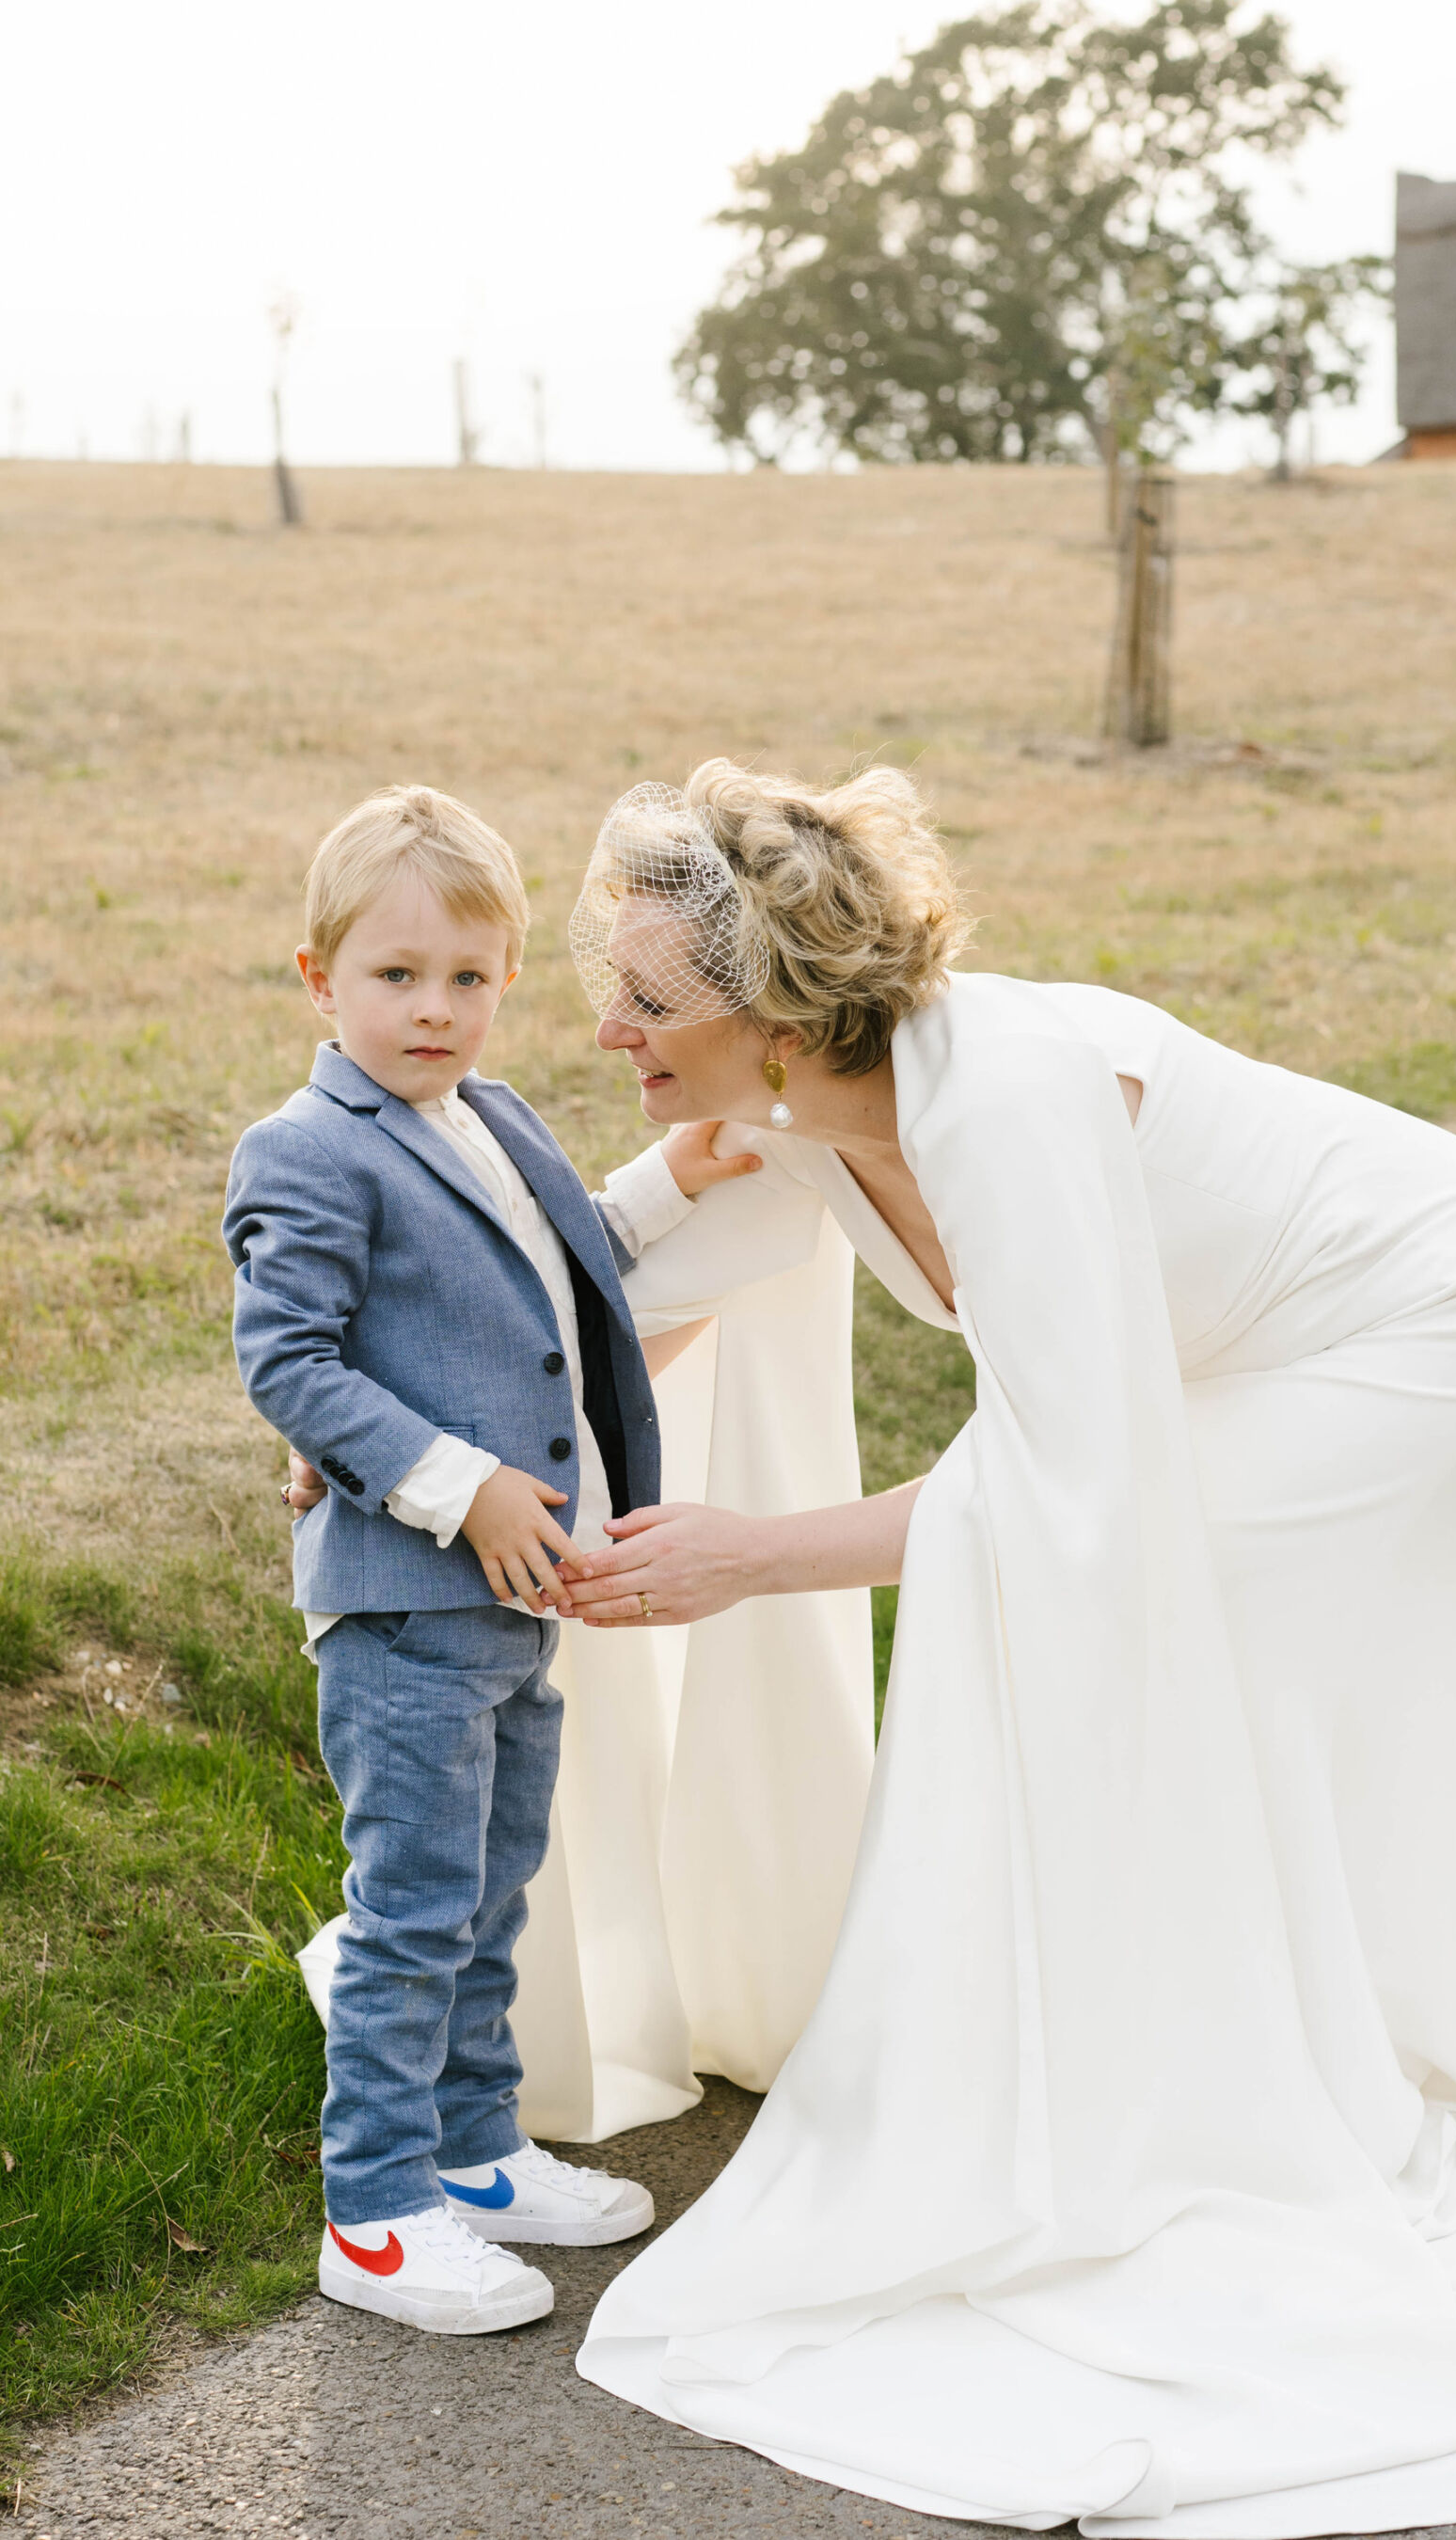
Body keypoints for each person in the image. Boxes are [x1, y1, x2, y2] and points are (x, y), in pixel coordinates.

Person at [538, 761, 1456, 2534]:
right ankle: (1232, 2065)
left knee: (1112, 1625)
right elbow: (622, 1306)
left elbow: (1075, 1499)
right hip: (1281, 1351)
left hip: (1437, 1325)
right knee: (1145, 1662)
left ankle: (1220, 2109)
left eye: (646, 1000)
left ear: (774, 1012)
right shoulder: (802, 1108)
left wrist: (751, 1559)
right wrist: (436, 1441)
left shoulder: (1000, 1098)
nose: (610, 1027)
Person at [222, 785, 748, 2337]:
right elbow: (292, 1365)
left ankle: (469, 2147)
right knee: (409, 1905)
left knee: (493, 1888)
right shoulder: (306, 1151)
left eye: (468, 976)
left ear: (509, 978)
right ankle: (376, 2211)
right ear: (319, 981)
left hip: (514, 1613)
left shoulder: (495, 1116)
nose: (434, 1009)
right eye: (394, 977)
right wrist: (462, 1488)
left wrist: (673, 1182)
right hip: (404, 1605)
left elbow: (557, 1247)